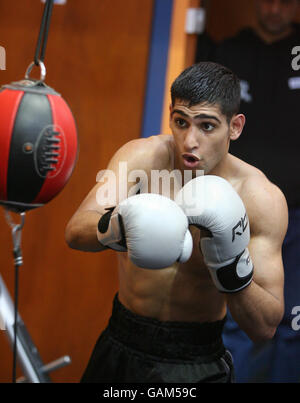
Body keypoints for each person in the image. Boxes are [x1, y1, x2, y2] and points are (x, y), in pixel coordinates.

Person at [65, 62, 288, 383]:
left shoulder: (259, 198)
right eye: (180, 122)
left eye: (207, 126)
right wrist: (120, 226)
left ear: (235, 127)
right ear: (170, 114)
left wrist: (230, 266)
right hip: (120, 343)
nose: (189, 140)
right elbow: (75, 232)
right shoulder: (140, 158)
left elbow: (265, 326)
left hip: (195, 359)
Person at [196, 0, 300, 382]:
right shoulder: (227, 53)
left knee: (294, 321)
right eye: (267, 0)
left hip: (298, 216)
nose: (274, 9)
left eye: (285, 1)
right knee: (238, 314)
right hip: (236, 211)